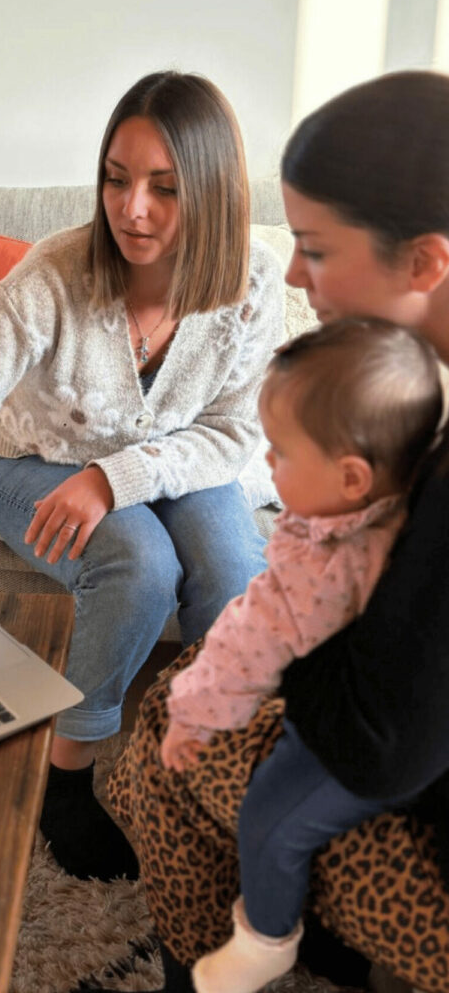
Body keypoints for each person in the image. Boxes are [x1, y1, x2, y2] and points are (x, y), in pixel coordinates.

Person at [0, 70, 284, 882]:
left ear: (212, 191)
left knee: (235, 572)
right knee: (138, 563)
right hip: (31, 464)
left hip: (178, 461)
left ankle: (218, 771)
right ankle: (67, 777)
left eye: (164, 188)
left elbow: (235, 433)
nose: (130, 208)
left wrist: (116, 477)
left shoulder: (254, 281)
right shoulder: (51, 276)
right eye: (116, 177)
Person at [107, 69, 449, 993]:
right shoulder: (420, 392)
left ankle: (221, 961)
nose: (294, 274)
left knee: (167, 726)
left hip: (409, 796)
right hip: (390, 733)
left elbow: (388, 743)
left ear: (425, 261)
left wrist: (285, 641)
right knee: (191, 684)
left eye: (316, 248)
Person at [160, 318, 442, 993]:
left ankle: (266, 938)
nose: (267, 463)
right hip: (395, 720)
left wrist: (191, 715)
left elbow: (243, 650)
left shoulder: (317, 570)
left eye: (281, 453)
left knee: (269, 818)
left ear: (350, 477)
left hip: (358, 749)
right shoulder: (403, 493)